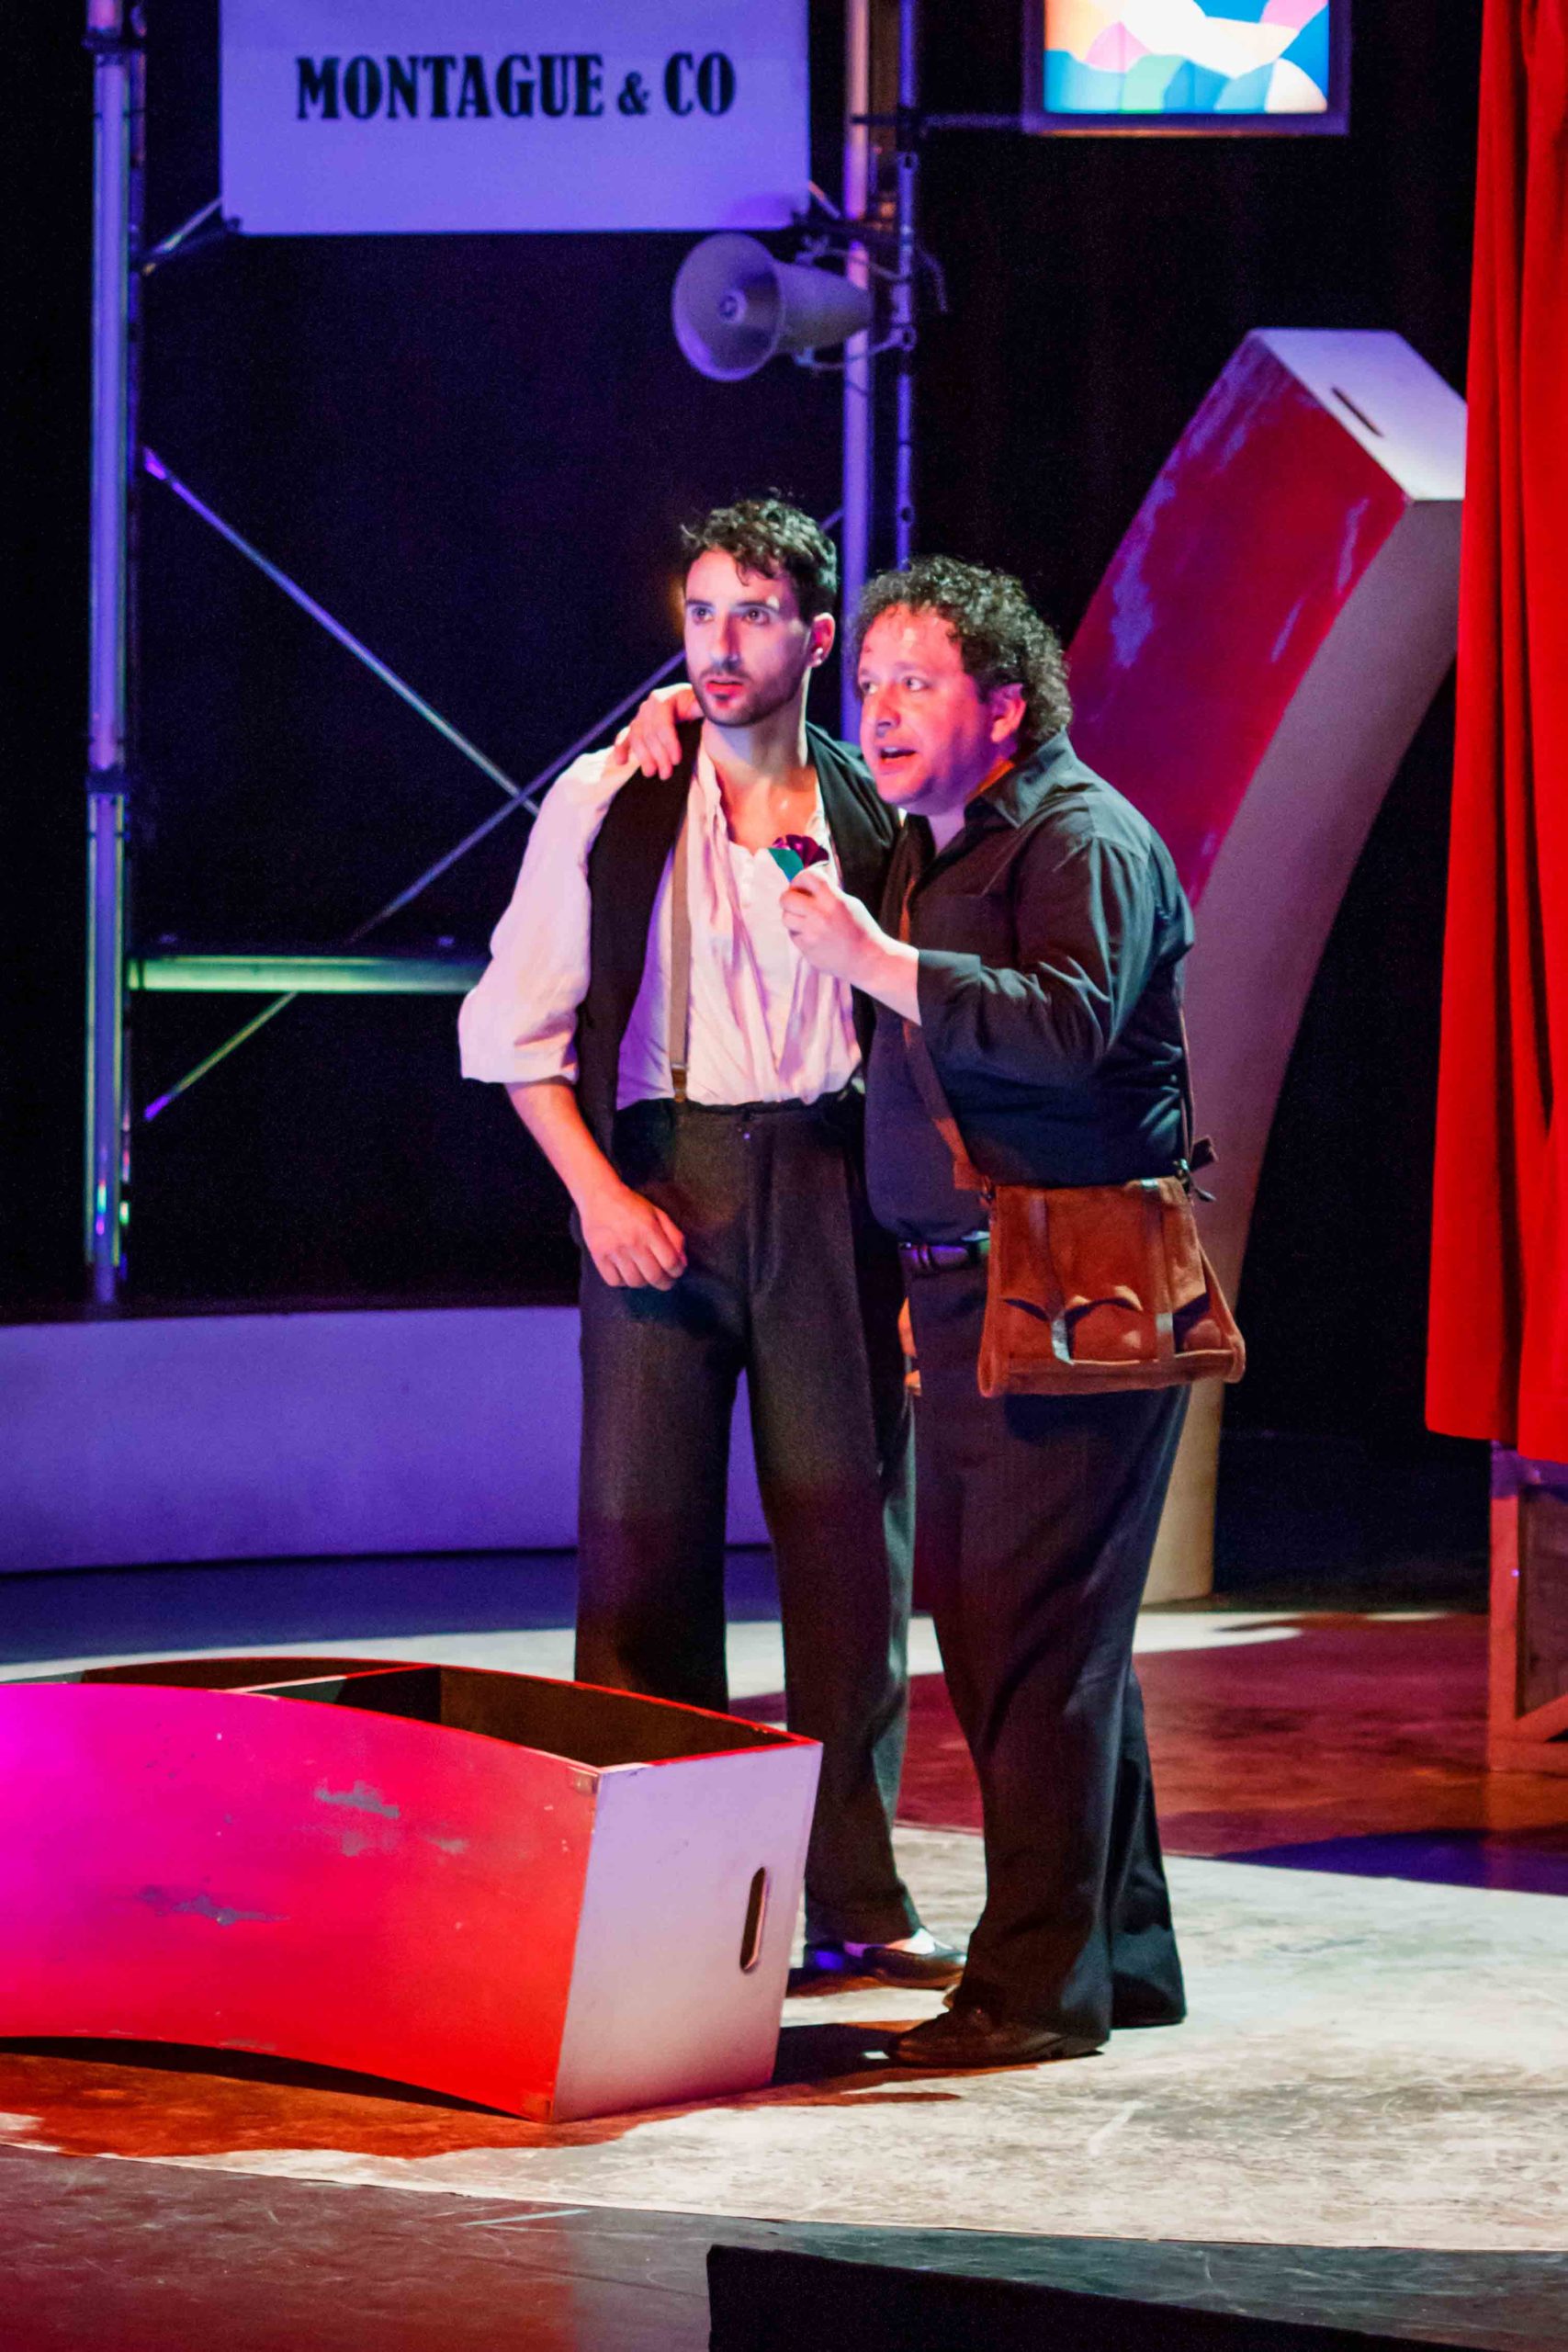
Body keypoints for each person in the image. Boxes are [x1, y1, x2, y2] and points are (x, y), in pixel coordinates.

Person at [458, 500, 958, 1987]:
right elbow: (513, 1032)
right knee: (639, 1554)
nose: (722, 644)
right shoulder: (611, 795)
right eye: (701, 614)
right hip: (659, 1181)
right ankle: (649, 1909)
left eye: (755, 614)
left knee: (847, 1552)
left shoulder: (876, 810)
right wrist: (598, 1198)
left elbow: (929, 1021)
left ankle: (854, 1897)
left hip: (827, 1185)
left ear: (816, 635)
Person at [777, 556, 1194, 2067]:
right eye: (870, 682)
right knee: (1037, 1633)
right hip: (971, 1291)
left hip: (1078, 1281)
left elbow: (1072, 1029)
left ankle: (1029, 1993)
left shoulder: (1083, 838)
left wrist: (881, 963)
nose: (881, 709)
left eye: (917, 682)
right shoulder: (928, 841)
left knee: (1030, 1639)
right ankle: (1115, 1957)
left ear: (1005, 706)